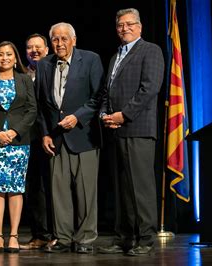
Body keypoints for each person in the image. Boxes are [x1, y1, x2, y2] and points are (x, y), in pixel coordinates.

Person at [98, 8, 164, 256]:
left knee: (140, 188)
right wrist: (104, 115)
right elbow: (107, 91)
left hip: (138, 128)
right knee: (121, 188)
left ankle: (145, 238)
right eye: (120, 25)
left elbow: (149, 89)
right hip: (115, 131)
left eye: (129, 24)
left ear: (140, 26)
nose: (124, 28)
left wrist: (123, 115)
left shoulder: (151, 50)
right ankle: (123, 237)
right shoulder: (115, 57)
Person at [36, 22, 104, 254]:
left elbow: (98, 96)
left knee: (85, 192)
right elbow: (41, 105)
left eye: (64, 38)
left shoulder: (91, 59)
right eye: (55, 39)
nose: (60, 43)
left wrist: (78, 117)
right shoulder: (44, 64)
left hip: (84, 135)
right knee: (59, 193)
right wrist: (45, 133)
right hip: (55, 138)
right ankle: (63, 238)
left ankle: (84, 239)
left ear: (74, 40)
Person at [0, 41, 37, 253]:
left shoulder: (24, 79)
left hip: (18, 142)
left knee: (15, 189)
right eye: (0, 54)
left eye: (9, 54)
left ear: (15, 57)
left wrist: (14, 132)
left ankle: (13, 235)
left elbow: (31, 110)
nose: (4, 58)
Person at [19, 33, 53, 250]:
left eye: (38, 47)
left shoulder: (54, 70)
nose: (34, 51)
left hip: (51, 136)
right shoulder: (21, 75)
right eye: (30, 48)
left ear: (47, 49)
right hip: (28, 138)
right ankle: (39, 234)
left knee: (53, 187)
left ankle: (58, 233)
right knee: (34, 188)